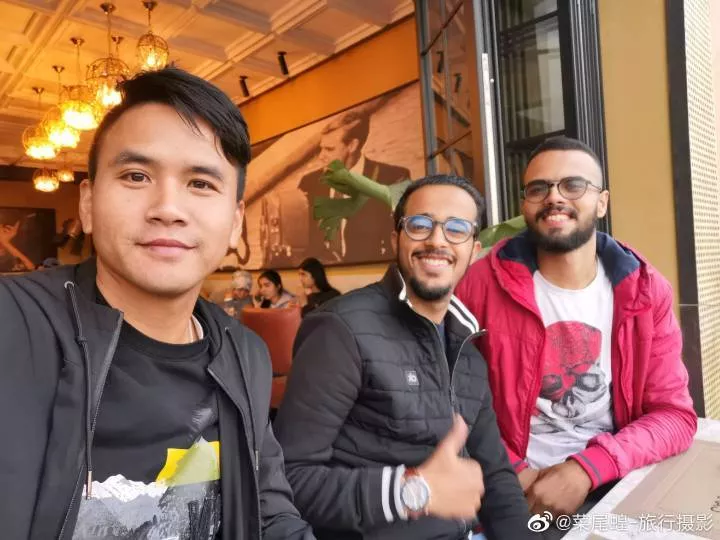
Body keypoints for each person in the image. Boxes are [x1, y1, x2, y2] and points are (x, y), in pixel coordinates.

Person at [0, 67, 314, 540]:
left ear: (235, 222)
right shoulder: (14, 324)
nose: (168, 208)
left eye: (201, 183)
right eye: (136, 175)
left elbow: (267, 508)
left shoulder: (244, 353)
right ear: (87, 204)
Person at [455, 136, 697, 534]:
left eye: (573, 185)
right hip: (511, 487)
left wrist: (587, 469)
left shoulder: (643, 290)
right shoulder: (479, 284)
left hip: (612, 481)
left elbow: (674, 416)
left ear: (601, 202)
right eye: (539, 188)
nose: (554, 197)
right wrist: (509, 470)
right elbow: (450, 400)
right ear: (525, 205)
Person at [275, 175, 534, 540]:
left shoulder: (468, 348)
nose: (437, 240)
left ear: (474, 250)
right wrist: (413, 491)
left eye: (456, 229)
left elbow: (496, 476)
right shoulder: (341, 329)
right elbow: (285, 479)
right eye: (420, 224)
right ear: (396, 238)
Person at [298, 110, 410, 263]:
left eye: (329, 149)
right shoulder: (309, 183)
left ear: (352, 145)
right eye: (321, 148)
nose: (321, 156)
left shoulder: (393, 179)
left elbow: (401, 245)